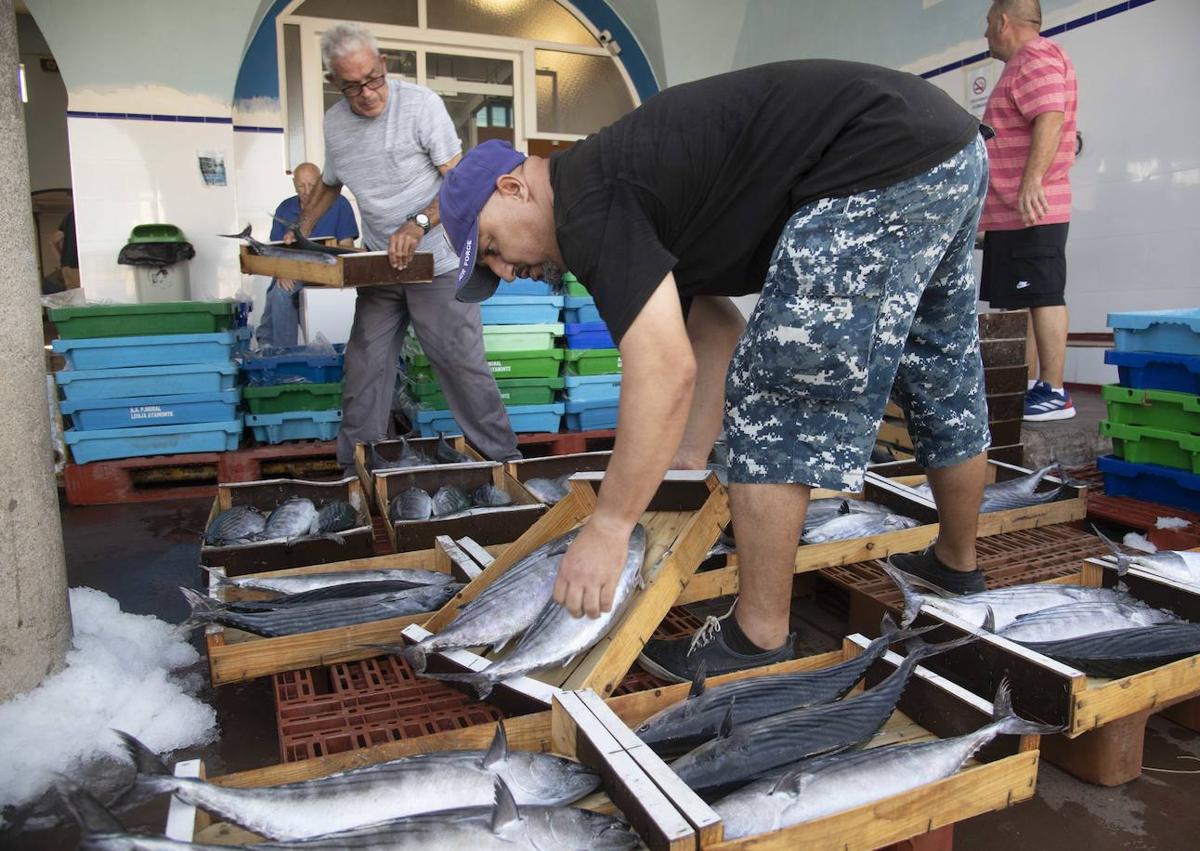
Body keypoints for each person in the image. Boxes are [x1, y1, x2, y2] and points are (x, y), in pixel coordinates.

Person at [440, 60, 994, 683]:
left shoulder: (587, 206)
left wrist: (610, 526)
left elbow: (665, 371)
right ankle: (954, 563)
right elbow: (712, 333)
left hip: (874, 164)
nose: (508, 270)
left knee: (774, 399)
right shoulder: (626, 184)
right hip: (948, 149)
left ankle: (757, 639)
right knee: (938, 370)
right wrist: (684, 460)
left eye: (491, 247)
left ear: (513, 188)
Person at [294, 22, 519, 472]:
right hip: (381, 266)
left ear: (383, 65)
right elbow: (330, 184)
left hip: (436, 259)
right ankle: (357, 473)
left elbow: (459, 179)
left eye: (373, 79)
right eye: (353, 87)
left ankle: (504, 462)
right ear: (332, 84)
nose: (368, 94)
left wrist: (418, 223)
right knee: (364, 368)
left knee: (460, 364)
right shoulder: (335, 123)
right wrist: (296, 232)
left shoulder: (421, 106)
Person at [979, 0, 1078, 421]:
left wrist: (1032, 180)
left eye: (987, 25)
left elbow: (1050, 117)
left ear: (1003, 21)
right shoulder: (1020, 65)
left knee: (1042, 295)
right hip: (1011, 214)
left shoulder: (1035, 56)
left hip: (1033, 209)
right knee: (1019, 303)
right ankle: (1028, 386)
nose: (985, 34)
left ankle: (1053, 392)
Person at [257, 162, 358, 349]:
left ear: (320, 183)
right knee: (280, 290)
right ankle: (284, 353)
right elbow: (275, 251)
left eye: (311, 185)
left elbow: (347, 245)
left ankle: (266, 340)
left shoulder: (340, 203)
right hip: (295, 271)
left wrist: (340, 275)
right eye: (301, 186)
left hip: (328, 270)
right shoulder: (285, 208)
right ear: (294, 185)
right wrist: (281, 272)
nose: (306, 190)